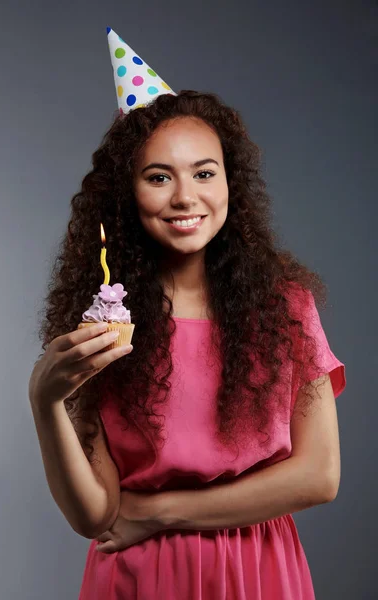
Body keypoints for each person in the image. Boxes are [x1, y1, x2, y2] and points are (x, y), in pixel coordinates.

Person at [28, 27, 346, 600]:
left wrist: (162, 513)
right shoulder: (106, 324)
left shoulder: (286, 307)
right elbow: (95, 516)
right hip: (139, 574)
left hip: (258, 570)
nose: (185, 198)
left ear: (231, 182)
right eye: (158, 177)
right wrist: (45, 401)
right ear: (128, 194)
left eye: (204, 172)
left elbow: (319, 476)